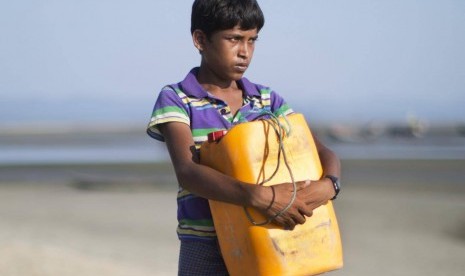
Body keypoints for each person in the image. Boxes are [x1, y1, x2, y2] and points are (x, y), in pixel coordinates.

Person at [146, 0, 341, 275]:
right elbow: (188, 172)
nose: (245, 53)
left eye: (252, 40)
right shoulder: (177, 99)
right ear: (200, 39)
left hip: (270, 235)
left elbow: (324, 153)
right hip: (205, 244)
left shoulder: (267, 101)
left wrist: (330, 186)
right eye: (234, 39)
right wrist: (262, 197)